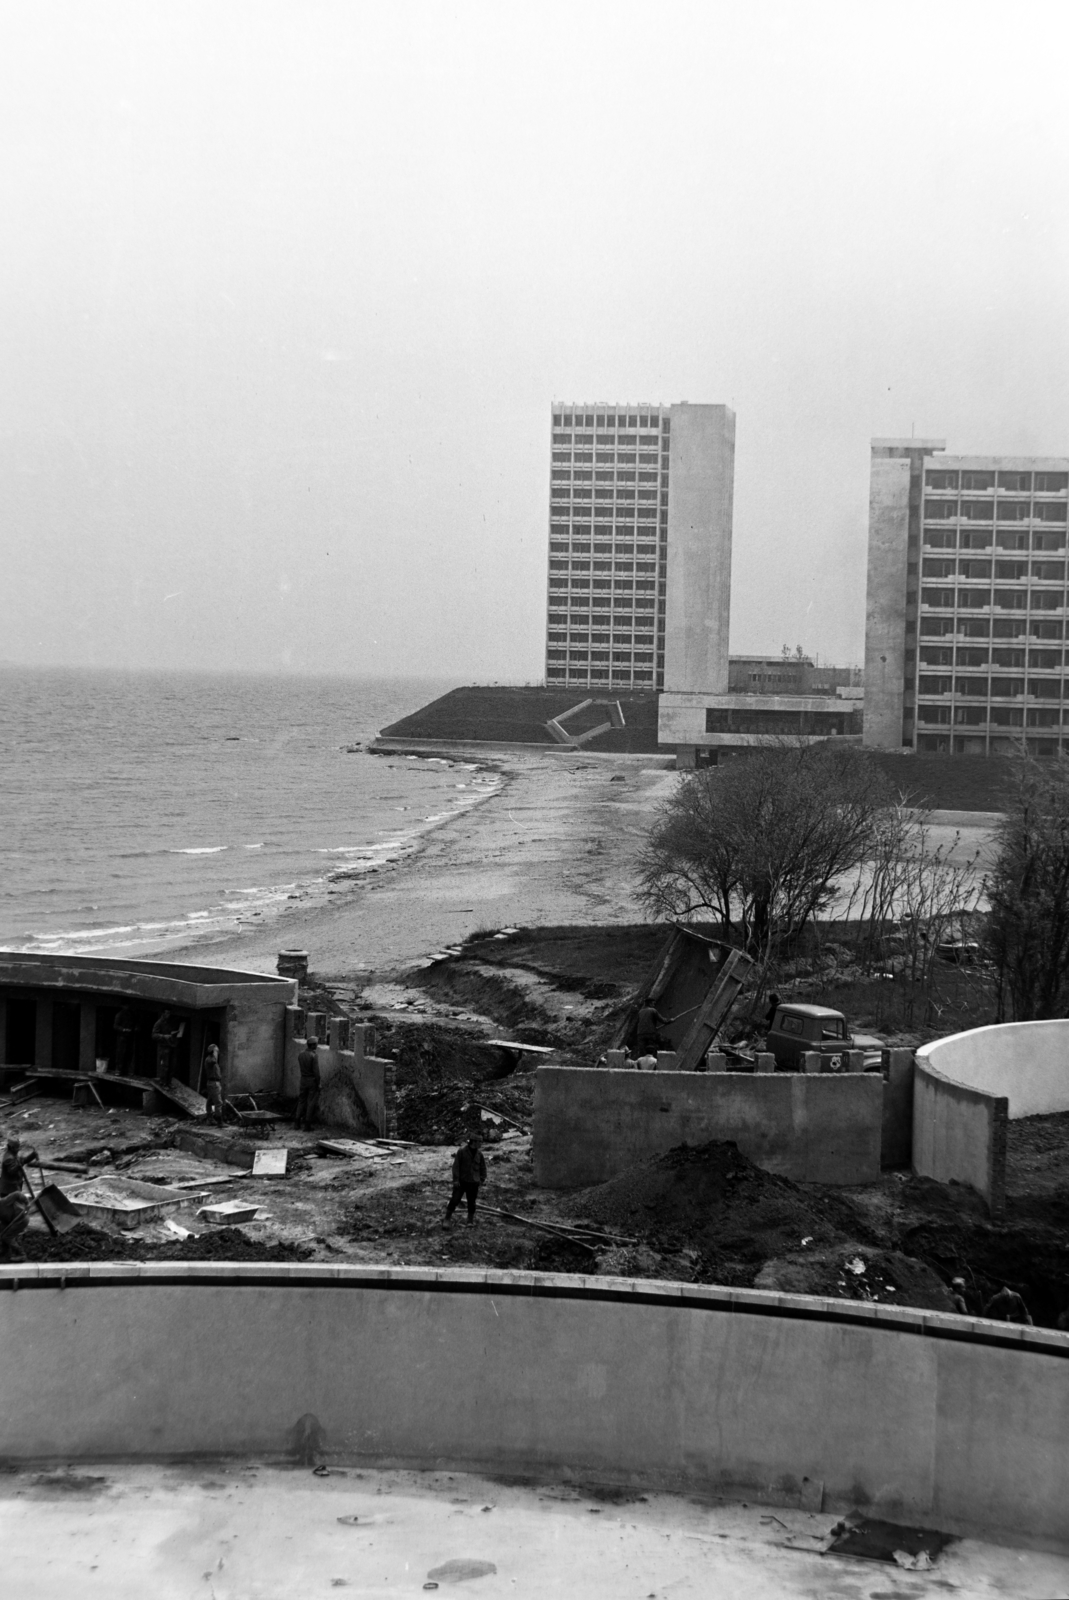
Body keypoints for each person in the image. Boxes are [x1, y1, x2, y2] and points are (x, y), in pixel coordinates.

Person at [445, 1135, 487, 1227]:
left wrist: (482, 1179)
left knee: (471, 1202)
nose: (481, 1144)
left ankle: (470, 1221)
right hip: (461, 1182)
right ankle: (447, 1219)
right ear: (474, 1142)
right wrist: (456, 1180)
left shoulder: (479, 1154)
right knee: (455, 1200)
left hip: (473, 1183)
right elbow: (456, 1167)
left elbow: (483, 1167)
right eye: (480, 1142)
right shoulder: (462, 1152)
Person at [295, 1035, 321, 1131]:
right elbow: (316, 1073)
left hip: (303, 1080)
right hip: (311, 1081)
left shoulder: (301, 1054)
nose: (317, 1046)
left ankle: (296, 1122)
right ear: (313, 1045)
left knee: (301, 1101)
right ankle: (307, 1125)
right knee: (310, 1103)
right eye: (316, 1044)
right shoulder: (314, 1056)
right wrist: (318, 1083)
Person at [152, 1009, 183, 1084]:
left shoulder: (170, 1022)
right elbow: (154, 1035)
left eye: (169, 1013)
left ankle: (168, 1082)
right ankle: (163, 1082)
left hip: (170, 1046)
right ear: (163, 1014)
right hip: (163, 1047)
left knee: (172, 1066)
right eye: (167, 1013)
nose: (168, 1015)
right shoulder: (159, 1023)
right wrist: (164, 1036)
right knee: (165, 1066)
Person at [0, 1191, 30, 1262]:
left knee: (7, 1237)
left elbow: (17, 1194)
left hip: (21, 1219)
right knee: (2, 1232)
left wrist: (27, 1203)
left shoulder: (4, 1202)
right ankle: (5, 1253)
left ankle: (22, 1255)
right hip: (11, 1221)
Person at [111, 1004, 137, 1074]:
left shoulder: (132, 1014)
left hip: (130, 1036)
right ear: (122, 1006)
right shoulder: (119, 1015)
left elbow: (135, 1024)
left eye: (128, 1005)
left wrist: (134, 1029)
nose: (127, 1007)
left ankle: (127, 1070)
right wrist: (123, 1029)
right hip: (122, 1037)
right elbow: (115, 1026)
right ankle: (118, 1070)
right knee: (120, 1053)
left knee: (129, 1053)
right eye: (125, 1005)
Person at [203, 1044, 224, 1125]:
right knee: (218, 1103)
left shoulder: (210, 1059)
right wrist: (214, 1051)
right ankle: (220, 1122)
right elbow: (214, 1060)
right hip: (213, 1083)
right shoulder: (210, 1060)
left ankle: (210, 1119)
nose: (217, 1053)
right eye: (216, 1051)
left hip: (213, 1083)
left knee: (210, 1101)